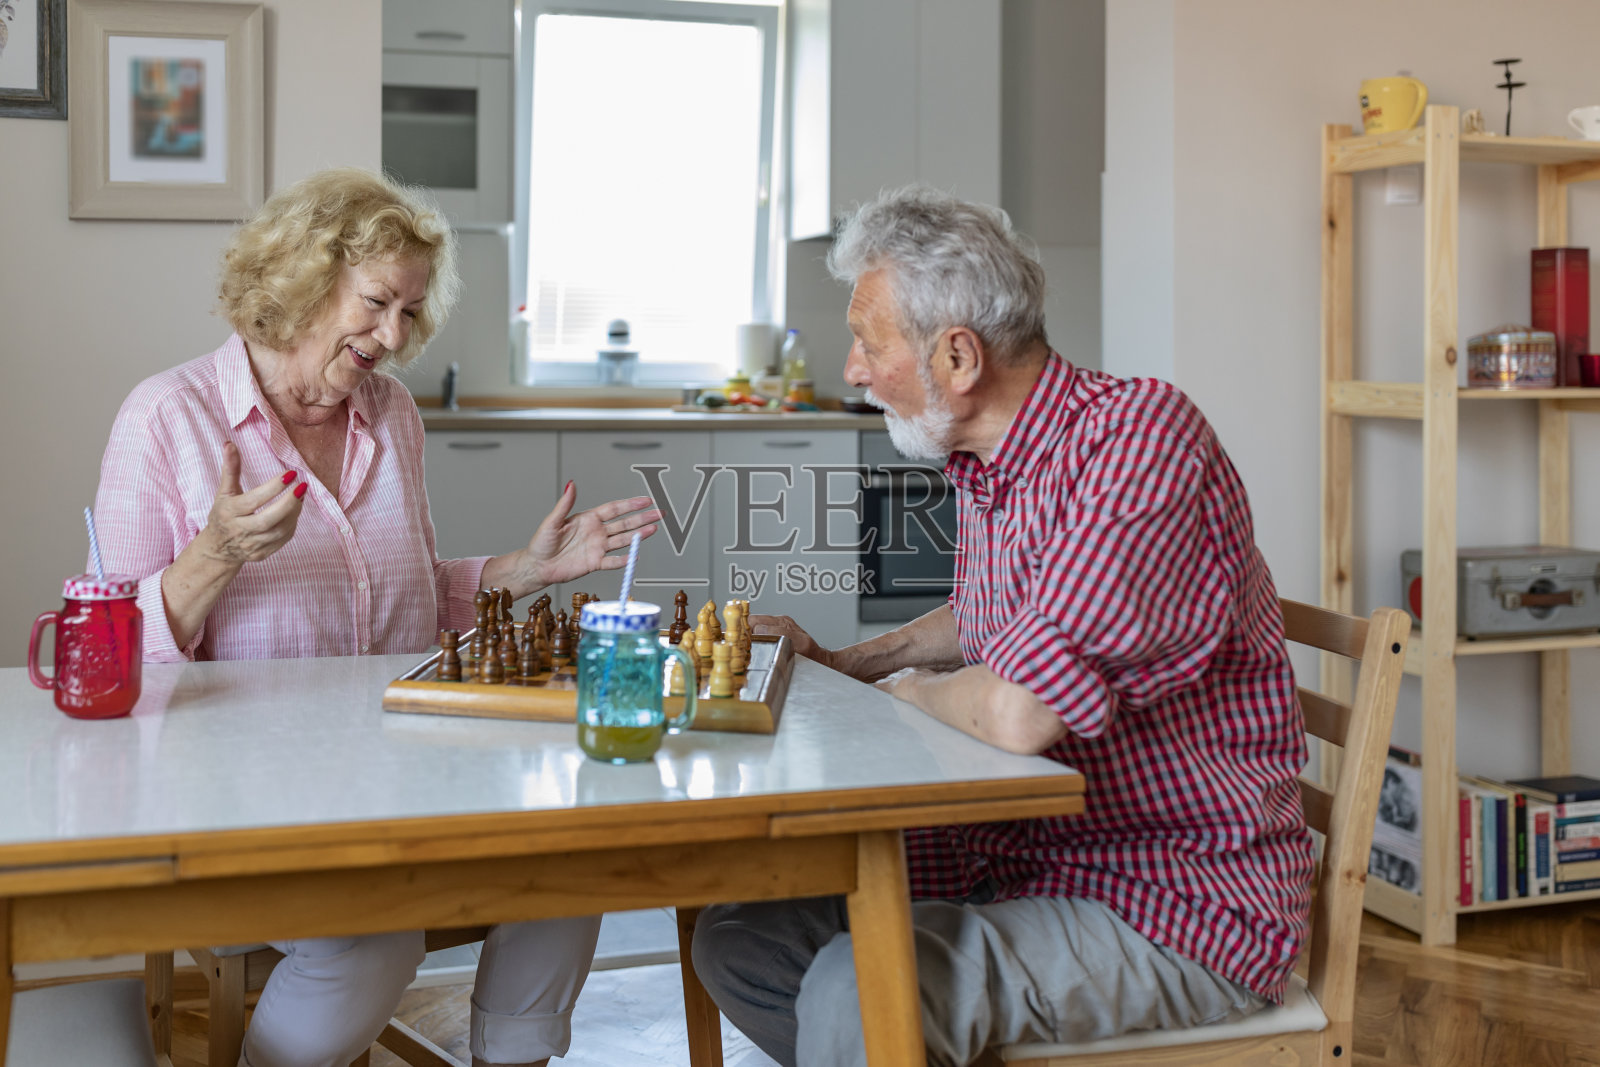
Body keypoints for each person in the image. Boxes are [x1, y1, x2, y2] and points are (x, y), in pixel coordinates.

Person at [690, 186, 1315, 1067]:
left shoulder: (1141, 440)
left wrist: (910, 693)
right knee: (738, 940)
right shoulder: (994, 465)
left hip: (1174, 897)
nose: (854, 369)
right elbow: (989, 615)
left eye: (870, 341)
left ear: (957, 355)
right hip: (1023, 854)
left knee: (855, 987)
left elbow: (1020, 711)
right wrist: (842, 661)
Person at [93, 168, 663, 1067]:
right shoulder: (168, 417)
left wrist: (529, 569)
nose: (394, 336)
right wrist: (215, 555)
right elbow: (108, 656)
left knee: (569, 862)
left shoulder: (390, 413)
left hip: (404, 775)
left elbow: (412, 593)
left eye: (411, 311)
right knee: (376, 929)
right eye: (376, 303)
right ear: (303, 280)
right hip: (238, 797)